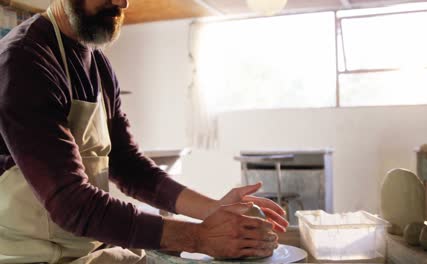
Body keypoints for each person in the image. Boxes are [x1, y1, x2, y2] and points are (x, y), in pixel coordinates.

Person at [0, 0, 289, 263]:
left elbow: (128, 165)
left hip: (86, 248)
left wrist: (212, 210)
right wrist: (199, 237)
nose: (122, 3)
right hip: (31, 255)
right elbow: (71, 203)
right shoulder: (25, 60)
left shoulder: (99, 65)